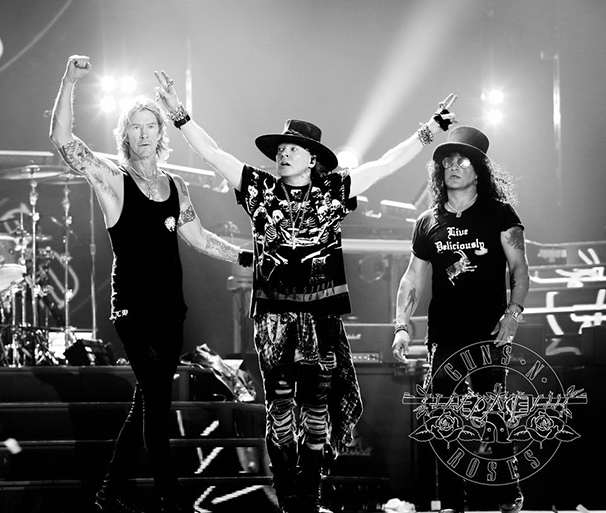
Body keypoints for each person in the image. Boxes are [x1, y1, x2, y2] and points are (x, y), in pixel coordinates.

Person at [153, 69, 456, 513]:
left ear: (313, 158)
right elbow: (212, 153)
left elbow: (388, 163)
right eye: (281, 149)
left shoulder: (335, 188)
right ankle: (287, 496)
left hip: (322, 315)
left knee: (316, 407)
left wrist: (429, 129)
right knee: (278, 407)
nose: (283, 153)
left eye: (292, 149)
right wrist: (178, 113)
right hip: (273, 315)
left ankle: (308, 495)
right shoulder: (258, 187)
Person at [49, 55, 253, 513]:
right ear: (125, 134)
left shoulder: (177, 186)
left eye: (150, 126)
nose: (143, 134)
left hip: (170, 311)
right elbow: (62, 140)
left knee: (147, 401)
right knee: (158, 403)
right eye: (135, 127)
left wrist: (245, 256)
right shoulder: (113, 179)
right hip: (133, 310)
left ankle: (109, 492)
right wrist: (69, 80)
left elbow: (198, 237)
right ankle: (170, 496)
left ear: (162, 133)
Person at [391, 125, 530, 513]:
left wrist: (513, 314)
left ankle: (508, 492)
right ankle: (453, 502)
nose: (453, 166)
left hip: (488, 331)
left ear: (479, 170)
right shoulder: (428, 221)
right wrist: (401, 326)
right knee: (442, 416)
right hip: (444, 333)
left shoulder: (499, 214)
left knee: (493, 412)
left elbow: (520, 269)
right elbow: (412, 278)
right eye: (448, 161)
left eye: (462, 161)